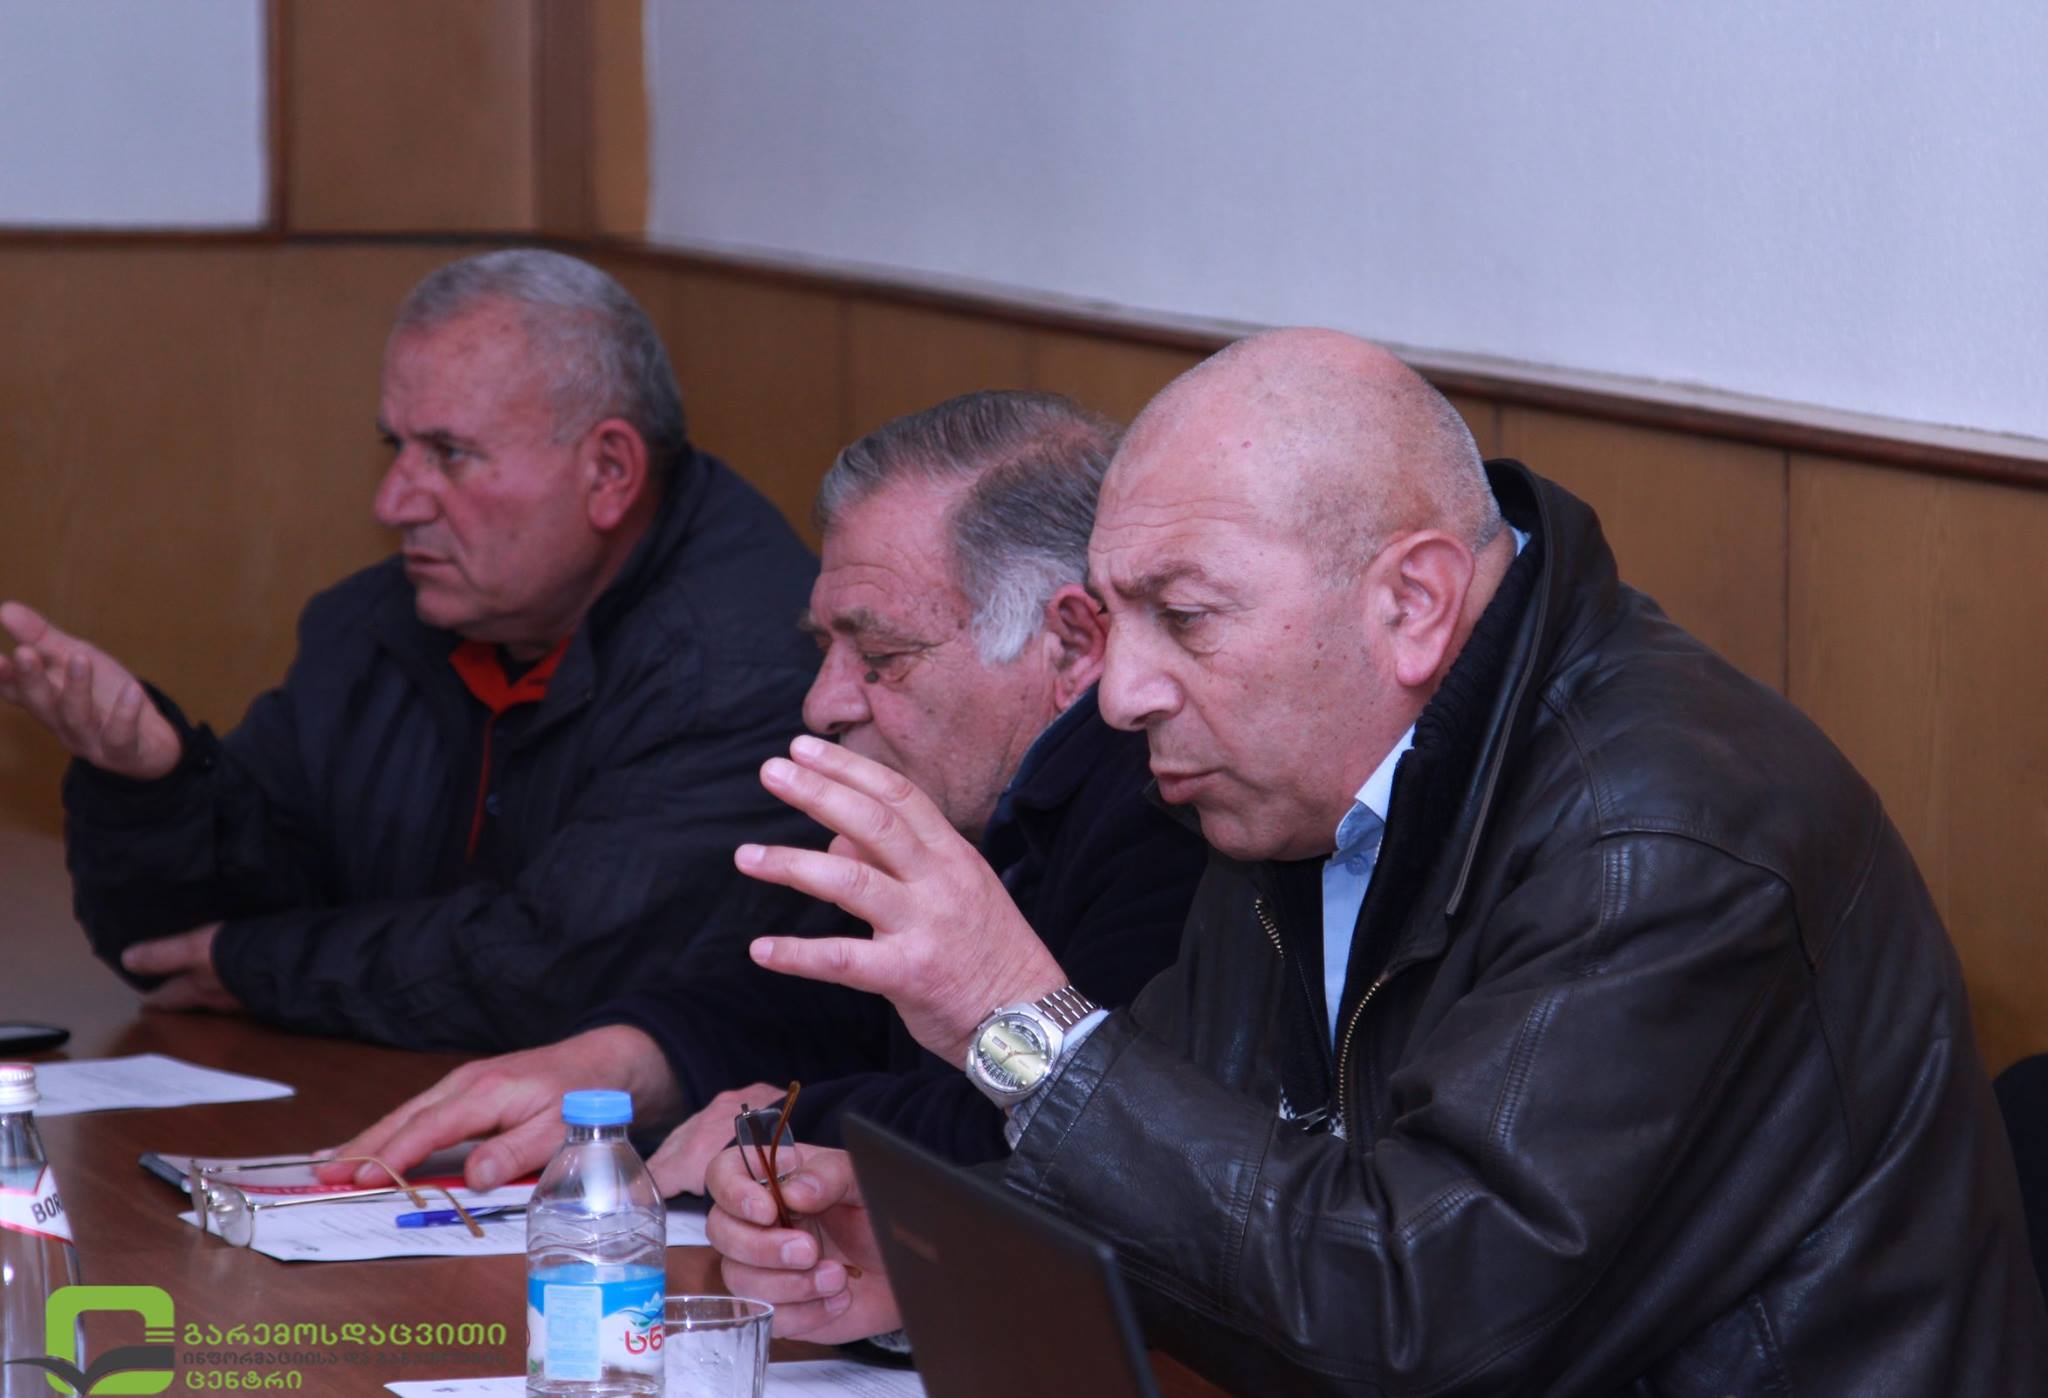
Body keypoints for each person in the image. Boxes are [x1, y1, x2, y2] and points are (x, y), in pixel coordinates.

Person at [702, 330, 2048, 1393]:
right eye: (1115, 619)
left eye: (1185, 616)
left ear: (1410, 602)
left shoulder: (1663, 840)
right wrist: (926, 1257)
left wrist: (1025, 1025)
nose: (1120, 692)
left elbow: (1424, 1320)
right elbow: (1220, 1187)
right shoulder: (1291, 776)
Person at [323, 391, 1205, 1193]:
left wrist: (781, 1128)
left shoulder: (1171, 812)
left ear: (1070, 644)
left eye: (882, 656)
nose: (822, 705)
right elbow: (830, 1008)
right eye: (825, 646)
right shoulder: (969, 796)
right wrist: (622, 1062)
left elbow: (1073, 1135)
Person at [0, 249, 822, 1051]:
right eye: (396, 449)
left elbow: (551, 974)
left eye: (450, 455)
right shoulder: (382, 623)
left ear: (608, 471)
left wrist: (253, 965)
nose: (392, 503)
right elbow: (169, 954)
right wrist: (151, 782)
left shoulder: (740, 665)